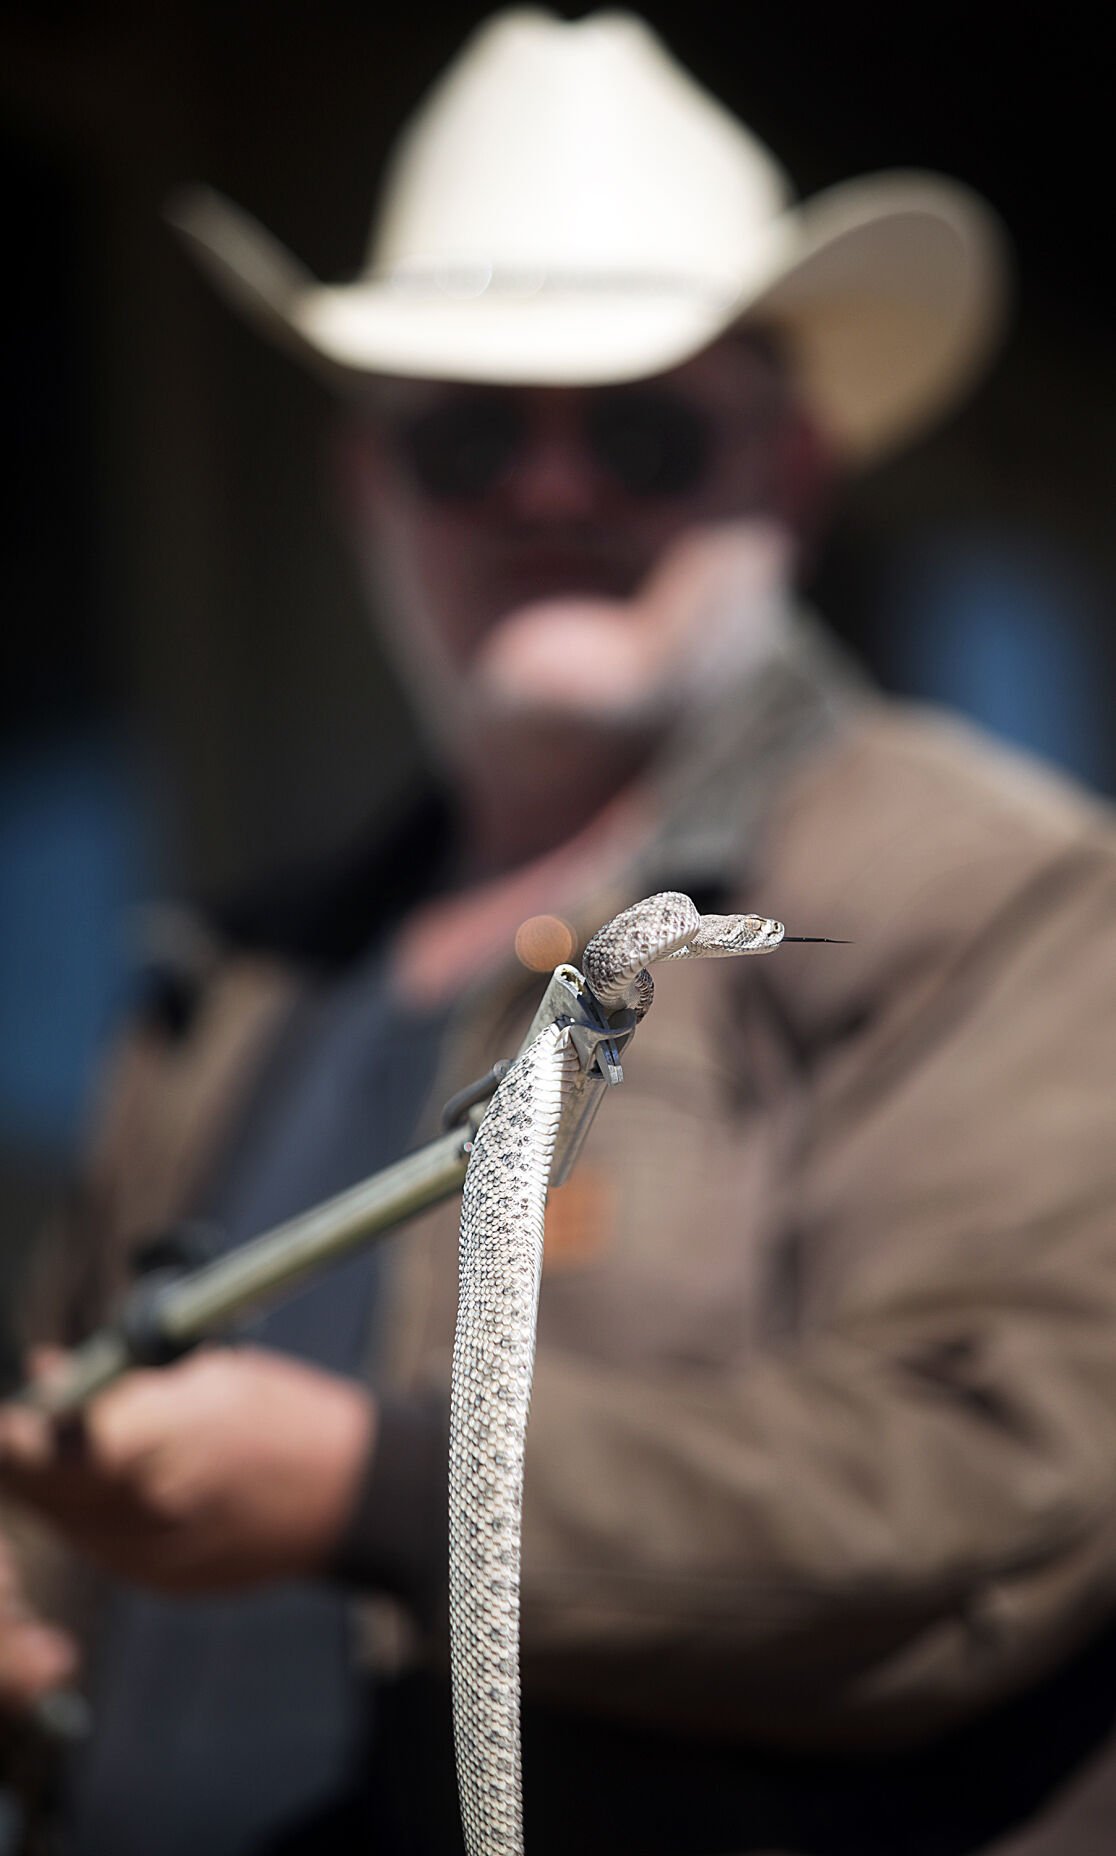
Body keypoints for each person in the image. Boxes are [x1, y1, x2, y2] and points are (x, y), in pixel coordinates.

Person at [6, 10, 1116, 1854]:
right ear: (368, 485)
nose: (551, 492)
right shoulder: (227, 983)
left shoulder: (994, 892)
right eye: (464, 438)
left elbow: (1003, 1478)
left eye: (645, 431)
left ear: (792, 473)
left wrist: (377, 1485)